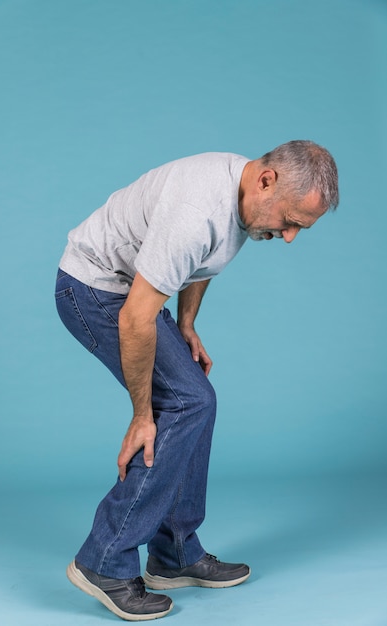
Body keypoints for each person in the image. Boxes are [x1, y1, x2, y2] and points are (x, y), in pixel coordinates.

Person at [55, 140, 339, 621]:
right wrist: (142, 416)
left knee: (196, 398)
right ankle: (103, 559)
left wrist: (185, 325)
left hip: (133, 292)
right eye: (290, 221)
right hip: (95, 289)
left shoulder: (244, 197)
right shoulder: (195, 210)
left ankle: (175, 553)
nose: (289, 236)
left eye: (299, 229)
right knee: (187, 402)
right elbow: (135, 317)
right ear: (267, 181)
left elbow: (203, 261)